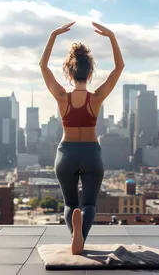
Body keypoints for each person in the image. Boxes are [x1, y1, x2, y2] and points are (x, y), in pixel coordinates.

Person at [39, 21, 125, 255]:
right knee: (88, 204)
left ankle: (75, 232)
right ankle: (81, 236)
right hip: (90, 153)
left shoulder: (61, 97)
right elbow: (119, 68)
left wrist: (53, 35)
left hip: (66, 153)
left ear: (69, 71)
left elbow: (43, 66)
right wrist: (111, 36)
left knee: (70, 204)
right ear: (90, 72)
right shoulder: (96, 98)